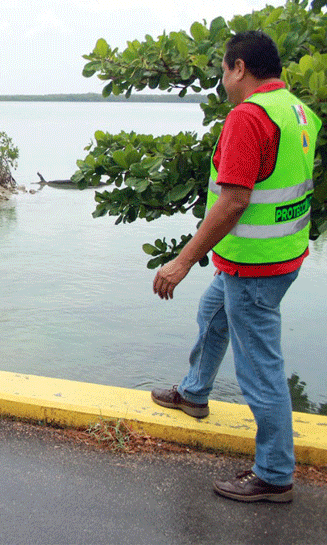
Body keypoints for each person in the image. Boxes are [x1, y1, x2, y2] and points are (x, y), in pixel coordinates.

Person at [150, 30, 322, 503]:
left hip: (257, 267)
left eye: (224, 70)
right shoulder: (298, 112)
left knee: (259, 367)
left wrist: (183, 261)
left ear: (239, 68)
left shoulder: (248, 118)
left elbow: (234, 202)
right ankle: (194, 393)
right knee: (213, 314)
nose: (223, 79)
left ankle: (273, 473)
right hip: (280, 256)